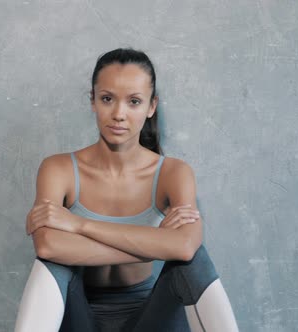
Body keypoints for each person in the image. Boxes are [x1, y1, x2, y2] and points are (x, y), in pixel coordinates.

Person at [15, 48, 239, 331]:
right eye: (107, 99)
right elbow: (48, 245)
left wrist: (78, 224)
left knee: (194, 261)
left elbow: (185, 248)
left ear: (151, 107)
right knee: (53, 262)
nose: (119, 114)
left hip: (150, 322)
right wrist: (156, 244)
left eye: (134, 101)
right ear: (93, 101)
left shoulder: (173, 173)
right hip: (80, 320)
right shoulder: (58, 168)